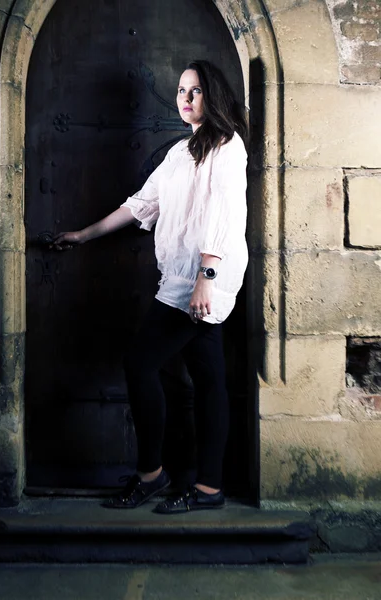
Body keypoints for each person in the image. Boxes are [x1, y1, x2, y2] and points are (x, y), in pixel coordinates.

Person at [52, 60, 249, 513]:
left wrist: (206, 277)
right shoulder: (180, 153)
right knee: (208, 377)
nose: (185, 98)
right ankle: (209, 487)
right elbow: (142, 204)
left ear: (211, 95)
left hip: (199, 280)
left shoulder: (227, 146)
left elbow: (224, 214)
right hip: (184, 277)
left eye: (195, 90)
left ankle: (152, 474)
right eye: (181, 90)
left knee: (140, 364)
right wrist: (85, 234)